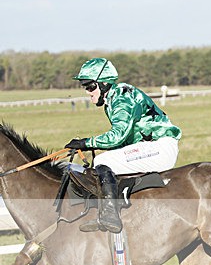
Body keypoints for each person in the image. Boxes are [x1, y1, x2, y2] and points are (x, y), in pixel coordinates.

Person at [64, 58, 182, 233]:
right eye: (85, 88)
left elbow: (118, 136)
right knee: (106, 161)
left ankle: (110, 215)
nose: (88, 92)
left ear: (103, 84)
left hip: (159, 147)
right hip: (151, 147)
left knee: (103, 161)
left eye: (90, 87)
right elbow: (125, 140)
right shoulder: (112, 100)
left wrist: (86, 143)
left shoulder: (122, 97)